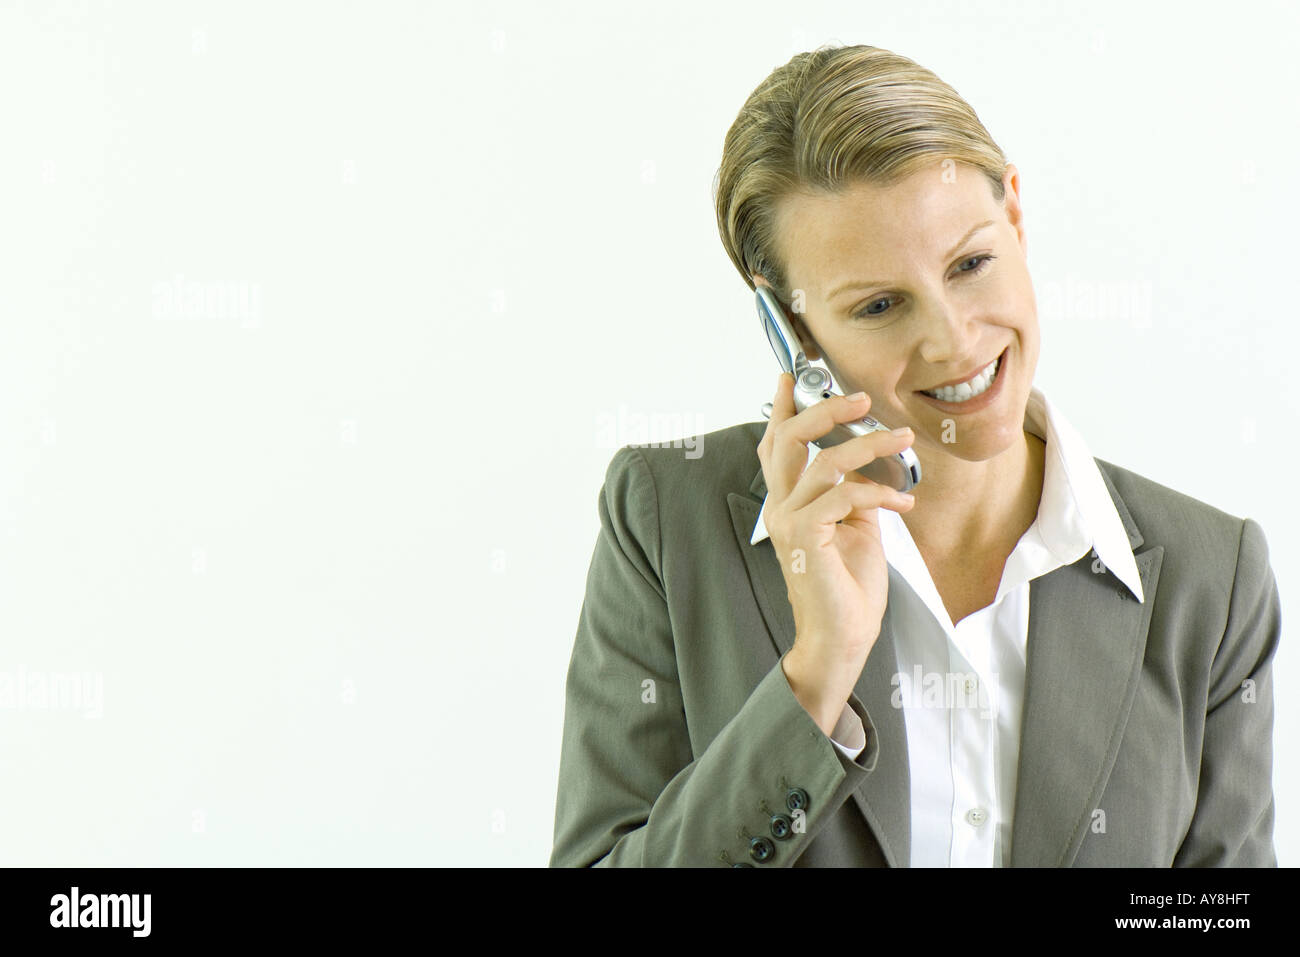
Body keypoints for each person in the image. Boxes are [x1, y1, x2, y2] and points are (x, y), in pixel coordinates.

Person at [549, 42, 1280, 867]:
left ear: (1014, 215)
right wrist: (815, 677)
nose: (954, 341)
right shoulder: (663, 519)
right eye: (880, 304)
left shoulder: (1211, 579)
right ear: (793, 332)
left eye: (971, 263)